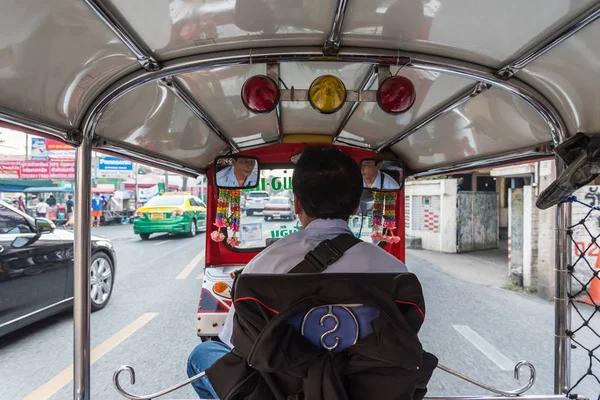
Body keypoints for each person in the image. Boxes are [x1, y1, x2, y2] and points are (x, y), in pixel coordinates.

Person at [187, 147, 409, 398]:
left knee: (202, 354)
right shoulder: (396, 273)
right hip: (363, 391)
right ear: (357, 206)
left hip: (280, 391)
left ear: (297, 202)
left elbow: (233, 344)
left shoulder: (260, 267)